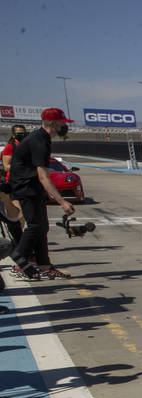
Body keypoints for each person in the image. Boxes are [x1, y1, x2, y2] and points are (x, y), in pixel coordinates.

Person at [7, 109, 74, 281]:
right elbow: (44, 176)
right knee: (35, 226)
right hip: (25, 188)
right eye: (62, 122)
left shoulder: (42, 138)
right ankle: (19, 264)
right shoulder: (39, 142)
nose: (64, 125)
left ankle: (45, 266)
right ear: (52, 123)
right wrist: (62, 201)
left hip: (31, 187)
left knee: (42, 226)